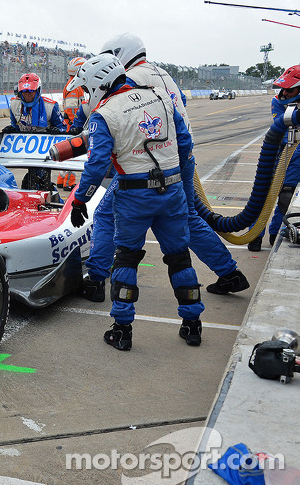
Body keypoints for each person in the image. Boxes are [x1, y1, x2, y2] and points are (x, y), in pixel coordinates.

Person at [77, 32, 248, 303]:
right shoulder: (162, 73)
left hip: (147, 168)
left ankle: (97, 278)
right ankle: (229, 272)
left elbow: (111, 121)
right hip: (179, 157)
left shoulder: (129, 80)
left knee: (106, 215)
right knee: (188, 218)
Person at [68, 53, 204, 350]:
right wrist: (175, 179)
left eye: (87, 89)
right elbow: (185, 142)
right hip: (172, 191)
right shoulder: (159, 96)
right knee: (180, 257)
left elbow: (97, 164)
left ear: (98, 84)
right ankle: (193, 324)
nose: (86, 95)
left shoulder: (104, 114)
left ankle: (122, 329)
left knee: (127, 258)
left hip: (134, 195)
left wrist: (80, 200)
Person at [247, 65, 300, 251]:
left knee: (286, 196)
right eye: (283, 88)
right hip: (277, 151)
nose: (284, 92)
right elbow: (281, 126)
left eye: (290, 89)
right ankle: (254, 235)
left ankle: (275, 233)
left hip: (297, 158)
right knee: (263, 195)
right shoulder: (277, 102)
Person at [58, 57, 86, 190]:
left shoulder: (73, 84)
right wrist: (76, 126)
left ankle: (61, 180)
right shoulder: (75, 86)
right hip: (73, 127)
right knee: (73, 155)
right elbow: (72, 109)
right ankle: (69, 182)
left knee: (67, 154)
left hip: (70, 125)